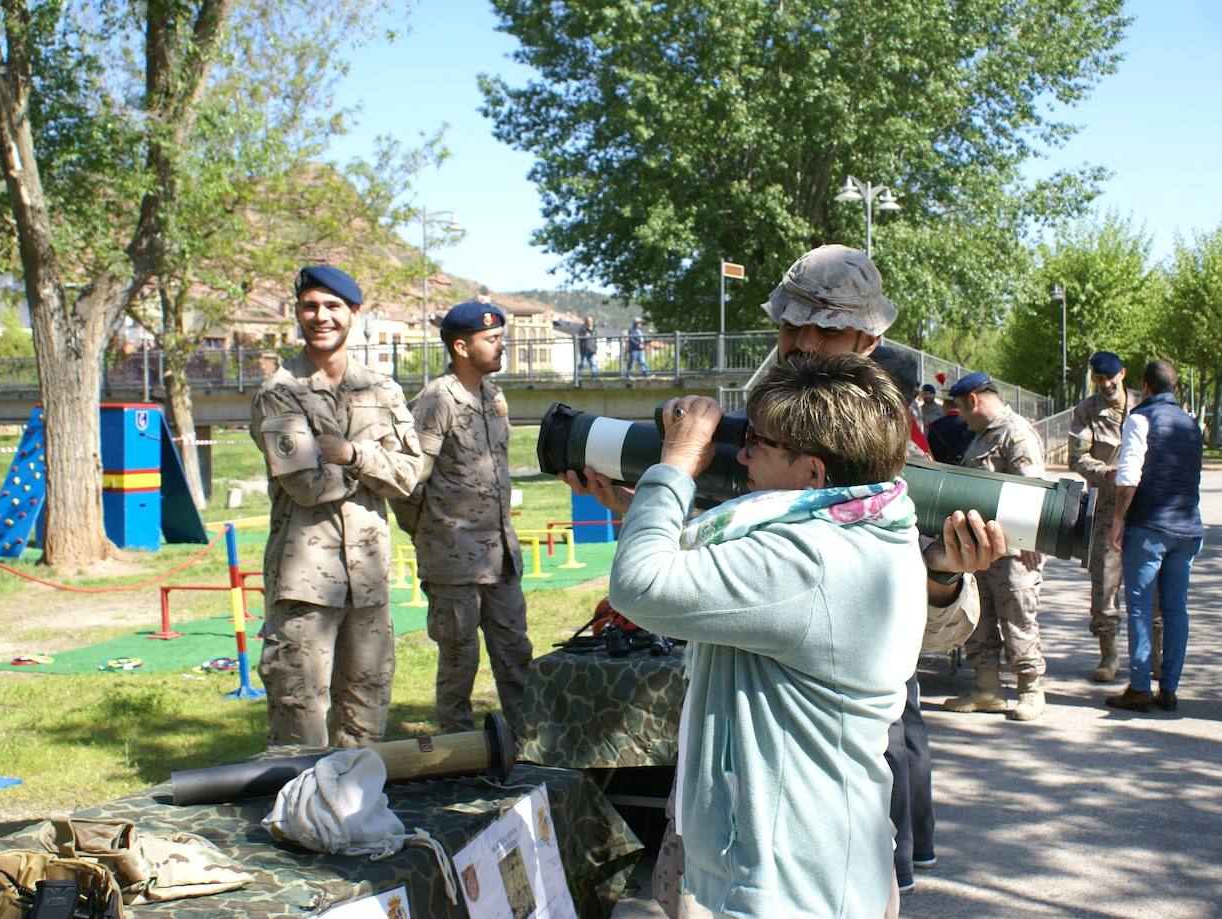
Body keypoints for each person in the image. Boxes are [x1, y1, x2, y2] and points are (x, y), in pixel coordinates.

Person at [568, 245, 999, 911]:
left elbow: (928, 625)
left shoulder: (880, 437)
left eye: (824, 328)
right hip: (742, 724)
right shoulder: (770, 417)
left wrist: (942, 574)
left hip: (819, 754)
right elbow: (724, 545)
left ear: (869, 337)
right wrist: (639, 505)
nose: (802, 343)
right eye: (790, 325)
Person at [608, 352, 927, 917]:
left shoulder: (809, 561)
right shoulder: (870, 526)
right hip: (825, 863)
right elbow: (723, 579)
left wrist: (677, 464)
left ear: (813, 473)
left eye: (759, 441)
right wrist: (648, 513)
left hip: (789, 886)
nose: (741, 453)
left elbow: (640, 586)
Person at [249, 265, 425, 748]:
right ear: (298, 314)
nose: (320, 316)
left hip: (368, 583)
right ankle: (301, 822)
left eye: (332, 306)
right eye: (310, 306)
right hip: (305, 586)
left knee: (366, 724)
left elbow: (411, 475)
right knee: (299, 726)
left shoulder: (382, 389)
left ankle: (356, 819)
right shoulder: (279, 393)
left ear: (354, 313)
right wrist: (377, 468)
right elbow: (308, 486)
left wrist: (351, 454)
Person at [392, 299, 533, 736]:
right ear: (461, 346)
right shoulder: (437, 400)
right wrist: (429, 532)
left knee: (516, 656)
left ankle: (527, 747)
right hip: (453, 560)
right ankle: (462, 756)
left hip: (500, 556)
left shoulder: (493, 396)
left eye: (501, 337)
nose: (501, 345)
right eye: (491, 340)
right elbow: (409, 482)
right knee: (459, 661)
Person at [945, 371, 1050, 721]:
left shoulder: (1013, 432)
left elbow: (1033, 488)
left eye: (961, 408)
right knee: (981, 619)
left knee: (1018, 618)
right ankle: (987, 689)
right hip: (983, 550)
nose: (960, 416)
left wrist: (1035, 540)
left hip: (1014, 553)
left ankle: (1030, 688)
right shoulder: (981, 436)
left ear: (973, 400)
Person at [1106, 359, 1204, 714]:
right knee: (1177, 609)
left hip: (1149, 527)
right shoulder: (1191, 424)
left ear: (1145, 386)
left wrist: (1118, 519)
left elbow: (1129, 474)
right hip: (1188, 527)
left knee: (1140, 608)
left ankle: (1139, 687)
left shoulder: (1140, 419)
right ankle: (1170, 688)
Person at [1069, 350, 1142, 682]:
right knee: (1105, 587)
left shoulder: (1144, 406)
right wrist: (1104, 471)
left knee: (1149, 588)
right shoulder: (1087, 411)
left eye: (1109, 377)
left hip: (1144, 508)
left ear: (1122, 374)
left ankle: (1153, 656)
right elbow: (1077, 458)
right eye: (1098, 379)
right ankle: (1109, 656)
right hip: (1107, 509)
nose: (1104, 384)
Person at [927, 395, 974, 465]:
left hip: (939, 469)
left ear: (945, 404)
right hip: (965, 470)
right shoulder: (972, 425)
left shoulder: (935, 426)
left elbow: (930, 452)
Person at [576, 315, 597, 380]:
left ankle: (594, 379)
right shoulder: (582, 329)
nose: (590, 322)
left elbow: (595, 340)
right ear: (586, 322)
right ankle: (578, 378)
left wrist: (596, 349)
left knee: (593, 365)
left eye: (591, 321)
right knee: (583, 364)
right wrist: (585, 336)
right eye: (589, 321)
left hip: (592, 351)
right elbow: (580, 338)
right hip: (584, 351)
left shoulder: (594, 329)